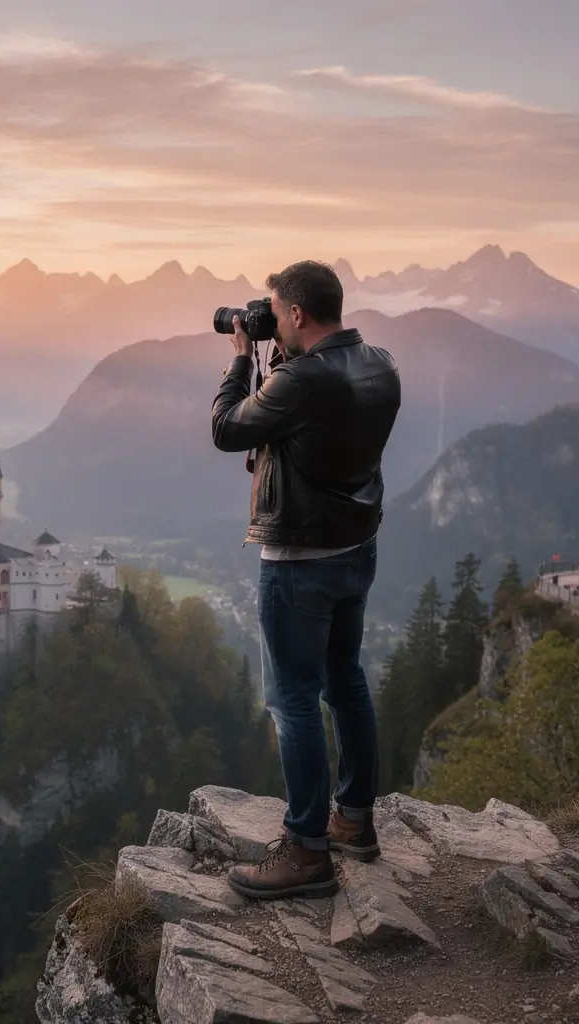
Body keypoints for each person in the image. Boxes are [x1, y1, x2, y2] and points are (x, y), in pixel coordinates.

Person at [211, 260, 401, 900]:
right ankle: (354, 820)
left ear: (294, 315)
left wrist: (241, 360)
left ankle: (306, 851)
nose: (270, 323)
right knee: (345, 680)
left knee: (292, 699)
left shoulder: (298, 381)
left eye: (273, 312)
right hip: (356, 549)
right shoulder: (381, 363)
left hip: (299, 560)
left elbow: (226, 429)